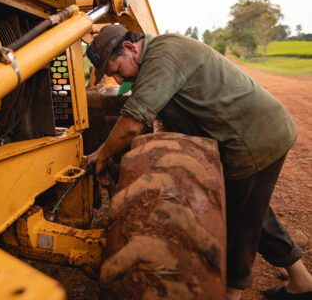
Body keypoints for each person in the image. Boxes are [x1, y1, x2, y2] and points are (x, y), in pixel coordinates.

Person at [85, 24, 312, 300]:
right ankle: (301, 282)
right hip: (254, 133)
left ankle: (231, 292)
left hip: (254, 138)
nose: (120, 81)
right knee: (254, 211)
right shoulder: (157, 59)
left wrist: (101, 154)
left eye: (117, 70)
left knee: (238, 223)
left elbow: (133, 122)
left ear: (131, 48)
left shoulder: (162, 53)